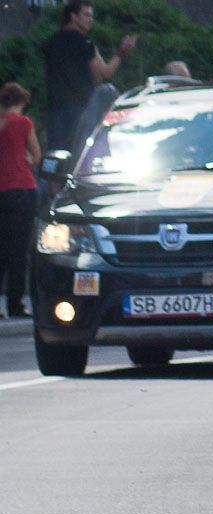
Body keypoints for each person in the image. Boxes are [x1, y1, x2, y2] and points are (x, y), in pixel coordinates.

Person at [43, 0, 137, 151]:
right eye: (86, 15)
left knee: (57, 157)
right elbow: (104, 73)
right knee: (82, 156)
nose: (90, 19)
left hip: (56, 110)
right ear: (73, 16)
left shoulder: (50, 42)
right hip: (81, 109)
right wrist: (122, 51)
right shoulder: (84, 42)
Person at [0, 83, 41, 318]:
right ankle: (15, 305)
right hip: (22, 191)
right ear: (22, 102)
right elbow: (35, 157)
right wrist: (25, 156)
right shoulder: (24, 123)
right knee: (18, 251)